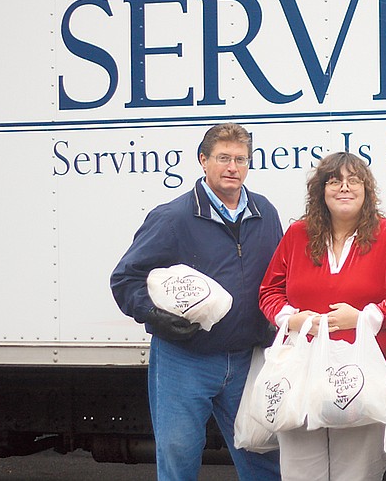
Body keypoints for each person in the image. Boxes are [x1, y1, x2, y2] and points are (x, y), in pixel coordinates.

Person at [110, 123, 282, 481]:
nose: (232, 167)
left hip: (247, 358)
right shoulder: (173, 217)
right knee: (178, 456)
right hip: (184, 358)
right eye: (223, 158)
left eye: (240, 159)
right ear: (203, 161)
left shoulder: (265, 212)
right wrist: (152, 314)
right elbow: (125, 279)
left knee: (262, 456)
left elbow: (279, 278)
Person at [258, 151, 386, 481]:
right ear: (321, 190)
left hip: (364, 379)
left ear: (367, 189)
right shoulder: (298, 235)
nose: (344, 188)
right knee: (300, 474)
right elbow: (269, 293)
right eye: (334, 181)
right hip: (302, 377)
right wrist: (292, 319)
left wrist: (365, 317)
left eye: (354, 181)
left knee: (357, 474)